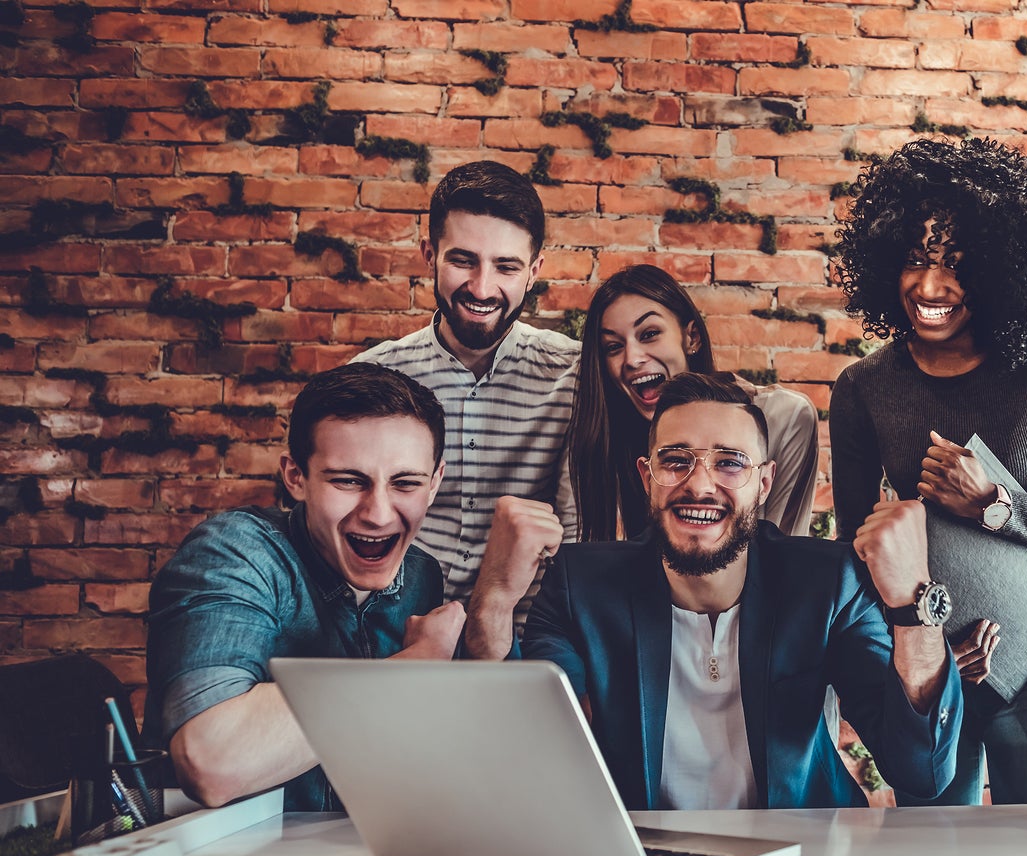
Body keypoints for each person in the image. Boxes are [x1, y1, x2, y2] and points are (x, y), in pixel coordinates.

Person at [829, 138, 1027, 806]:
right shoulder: (864, 387)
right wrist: (918, 643)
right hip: (932, 660)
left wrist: (996, 504)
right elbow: (852, 552)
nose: (930, 287)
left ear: (1003, 270)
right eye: (915, 261)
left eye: (957, 266)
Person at [522, 373, 962, 810]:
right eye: (676, 460)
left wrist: (912, 605)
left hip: (802, 855)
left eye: (729, 462)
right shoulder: (579, 586)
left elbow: (921, 772)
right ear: (646, 476)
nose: (698, 484)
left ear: (764, 483)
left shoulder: (828, 583)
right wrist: (498, 597)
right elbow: (539, 753)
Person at [145, 364, 552, 811]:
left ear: (434, 484)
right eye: (348, 481)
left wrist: (494, 605)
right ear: (296, 477)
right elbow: (213, 761)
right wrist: (418, 663)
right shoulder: (234, 552)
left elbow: (485, 767)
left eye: (406, 483)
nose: (378, 513)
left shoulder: (421, 575)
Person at [352, 161, 578, 649]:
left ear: (534, 271)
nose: (481, 287)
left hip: (528, 642)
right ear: (429, 255)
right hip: (392, 635)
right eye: (463, 260)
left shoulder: (576, 377)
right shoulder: (372, 377)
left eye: (507, 266)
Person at [563, 264, 820, 542]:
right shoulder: (607, 436)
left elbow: (782, 554)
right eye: (613, 347)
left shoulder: (781, 416)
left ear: (692, 337)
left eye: (649, 334)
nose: (632, 359)